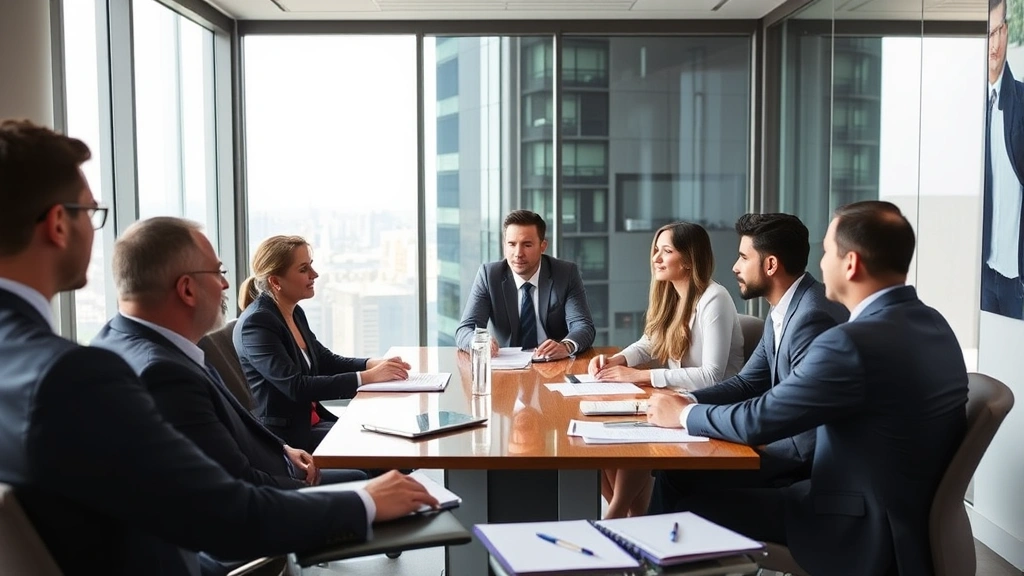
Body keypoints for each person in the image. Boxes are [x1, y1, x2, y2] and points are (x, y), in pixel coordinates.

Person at [0, 119, 438, 574]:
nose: (229, 284)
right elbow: (224, 513)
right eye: (90, 213)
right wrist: (363, 503)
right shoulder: (76, 375)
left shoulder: (95, 347)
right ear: (57, 224)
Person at [647, 201, 968, 576]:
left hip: (852, 520)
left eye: (828, 252)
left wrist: (684, 414)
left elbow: (762, 419)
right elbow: (754, 383)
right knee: (681, 478)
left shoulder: (850, 342)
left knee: (689, 510)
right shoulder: (935, 324)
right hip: (900, 513)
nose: (819, 263)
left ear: (851, 264)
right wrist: (687, 402)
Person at [93, 217, 366, 492]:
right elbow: (239, 490)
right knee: (366, 482)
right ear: (187, 289)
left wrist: (282, 450)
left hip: (277, 459)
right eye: (217, 272)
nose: (225, 284)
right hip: (266, 497)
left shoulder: (140, 344)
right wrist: (362, 503)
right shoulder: (164, 374)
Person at [649, 213, 848, 515]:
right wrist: (686, 399)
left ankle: (663, 559)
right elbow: (748, 382)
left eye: (743, 257)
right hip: (779, 444)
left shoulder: (811, 318)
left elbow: (798, 433)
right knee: (673, 471)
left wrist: (686, 414)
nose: (735, 267)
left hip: (802, 466)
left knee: (677, 477)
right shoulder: (784, 308)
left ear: (770, 265)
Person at [587, 221, 744, 519]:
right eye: (656, 250)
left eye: (666, 251)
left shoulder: (715, 299)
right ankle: (635, 511)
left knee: (636, 434)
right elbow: (649, 343)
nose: (656, 258)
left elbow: (712, 375)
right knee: (602, 436)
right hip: (680, 400)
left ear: (688, 259)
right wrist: (617, 360)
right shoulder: (672, 295)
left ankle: (616, 513)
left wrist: (641, 376)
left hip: (711, 407)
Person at [234, 235, 412, 452]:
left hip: (313, 423)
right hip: (287, 439)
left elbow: (325, 360)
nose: (314, 274)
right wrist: (368, 378)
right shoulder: (257, 324)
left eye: (311, 266)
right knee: (386, 446)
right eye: (303, 269)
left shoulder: (293, 312)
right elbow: (295, 386)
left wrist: (373, 364)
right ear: (275, 281)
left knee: (391, 436)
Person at [455, 209, 595, 361]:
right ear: (504, 246)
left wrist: (566, 346)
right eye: (511, 244)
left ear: (543, 246)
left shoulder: (565, 274)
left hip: (553, 365)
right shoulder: (489, 276)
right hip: (506, 368)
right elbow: (465, 329)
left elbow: (583, 326)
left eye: (527, 245)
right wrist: (479, 343)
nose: (518, 253)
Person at [983, 0, 1024, 319]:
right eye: (987, 33)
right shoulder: (972, 107)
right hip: (983, 273)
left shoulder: (1021, 102)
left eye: (998, 30)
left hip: (1017, 278)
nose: (994, 43)